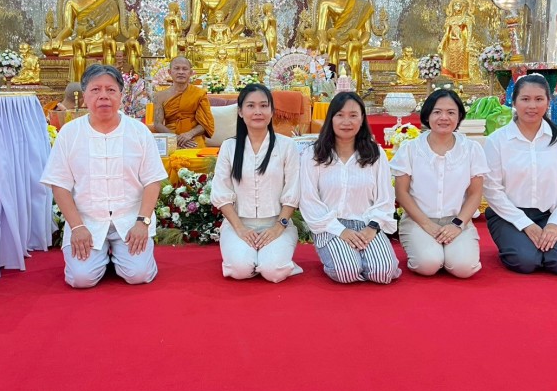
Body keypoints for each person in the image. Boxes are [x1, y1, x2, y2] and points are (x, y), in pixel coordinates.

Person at [41, 64, 167, 288]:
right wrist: (77, 227)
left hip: (130, 219)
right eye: (95, 90)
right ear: (85, 96)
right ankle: (103, 259)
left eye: (110, 90)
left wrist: (142, 222)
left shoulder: (139, 132)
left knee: (138, 275)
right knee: (81, 279)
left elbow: (152, 180)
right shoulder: (69, 133)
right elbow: (59, 184)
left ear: (121, 95)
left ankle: (122, 257)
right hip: (87, 221)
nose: (103, 96)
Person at [483, 73, 557, 276]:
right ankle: (517, 243)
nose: (532, 106)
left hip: (550, 214)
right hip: (509, 215)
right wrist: (526, 225)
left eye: (539, 99)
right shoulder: (497, 140)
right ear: (514, 102)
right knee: (525, 261)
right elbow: (492, 190)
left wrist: (555, 225)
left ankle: (548, 243)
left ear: (548, 102)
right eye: (525, 99)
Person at [299, 92, 401, 284]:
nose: (346, 121)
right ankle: (343, 258)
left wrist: (372, 228)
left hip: (366, 223)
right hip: (330, 225)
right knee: (347, 272)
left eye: (353, 115)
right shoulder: (313, 154)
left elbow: (385, 198)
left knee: (383, 273)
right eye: (340, 115)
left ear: (362, 120)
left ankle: (367, 259)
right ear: (331, 119)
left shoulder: (375, 153)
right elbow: (308, 199)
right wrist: (341, 231)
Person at [391, 89, 489, 278]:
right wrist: (427, 225)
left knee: (464, 268)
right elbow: (402, 192)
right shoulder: (410, 148)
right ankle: (432, 250)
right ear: (427, 115)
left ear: (459, 116)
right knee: (428, 265)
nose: (444, 117)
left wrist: (458, 224)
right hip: (419, 220)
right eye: (437, 112)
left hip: (457, 219)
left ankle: (450, 251)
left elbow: (475, 193)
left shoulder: (471, 149)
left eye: (451, 112)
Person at [211, 84, 301, 282]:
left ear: (272, 111)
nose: (258, 111)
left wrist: (278, 227)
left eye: (263, 105)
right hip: (238, 223)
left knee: (273, 271)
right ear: (240, 112)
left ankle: (270, 259)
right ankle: (252, 258)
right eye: (251, 106)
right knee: (240, 270)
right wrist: (240, 229)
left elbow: (293, 192)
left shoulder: (287, 146)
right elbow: (221, 193)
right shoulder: (229, 146)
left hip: (277, 223)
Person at [153, 56, 215, 148]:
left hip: (193, 138)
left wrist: (189, 134)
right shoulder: (159, 96)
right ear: (170, 72)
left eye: (185, 69)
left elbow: (205, 123)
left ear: (190, 73)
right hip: (170, 137)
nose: (181, 72)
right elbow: (158, 124)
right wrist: (176, 138)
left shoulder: (199, 94)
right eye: (177, 68)